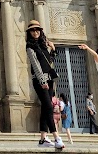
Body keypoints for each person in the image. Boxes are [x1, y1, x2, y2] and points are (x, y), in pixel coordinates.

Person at [27, 20, 64, 149]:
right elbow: (36, 65)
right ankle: (56, 137)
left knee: (45, 108)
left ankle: (43, 139)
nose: (35, 32)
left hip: (49, 79)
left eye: (37, 30)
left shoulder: (43, 45)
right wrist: (42, 81)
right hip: (40, 81)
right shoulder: (30, 47)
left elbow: (49, 62)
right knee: (49, 107)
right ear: (29, 32)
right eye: (32, 30)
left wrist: (53, 50)